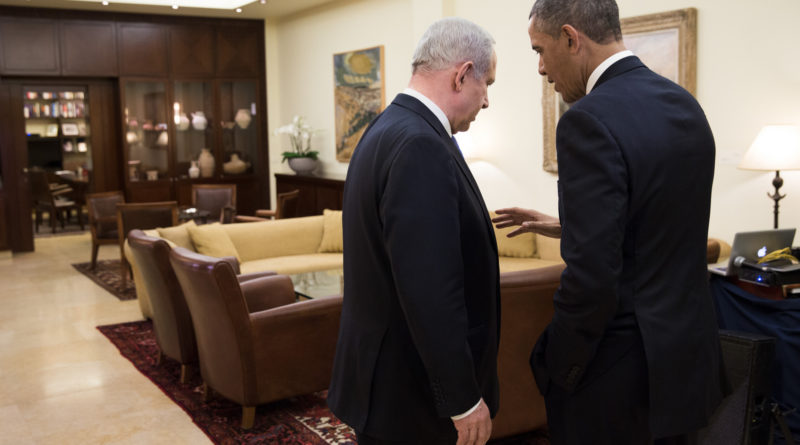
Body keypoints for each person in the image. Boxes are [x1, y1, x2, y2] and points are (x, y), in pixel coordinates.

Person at [492, 1, 726, 444]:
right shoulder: (685, 106)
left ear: (570, 38)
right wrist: (573, 224)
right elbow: (664, 218)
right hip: (687, 365)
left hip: (617, 378)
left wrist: (559, 362)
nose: (541, 68)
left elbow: (592, 281)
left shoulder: (586, 121)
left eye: (540, 50)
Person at [327, 17, 500, 445]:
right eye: (487, 84)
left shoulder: (385, 127)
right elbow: (430, 289)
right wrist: (461, 399)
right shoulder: (420, 144)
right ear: (462, 75)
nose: (486, 101)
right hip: (410, 395)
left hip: (387, 382)